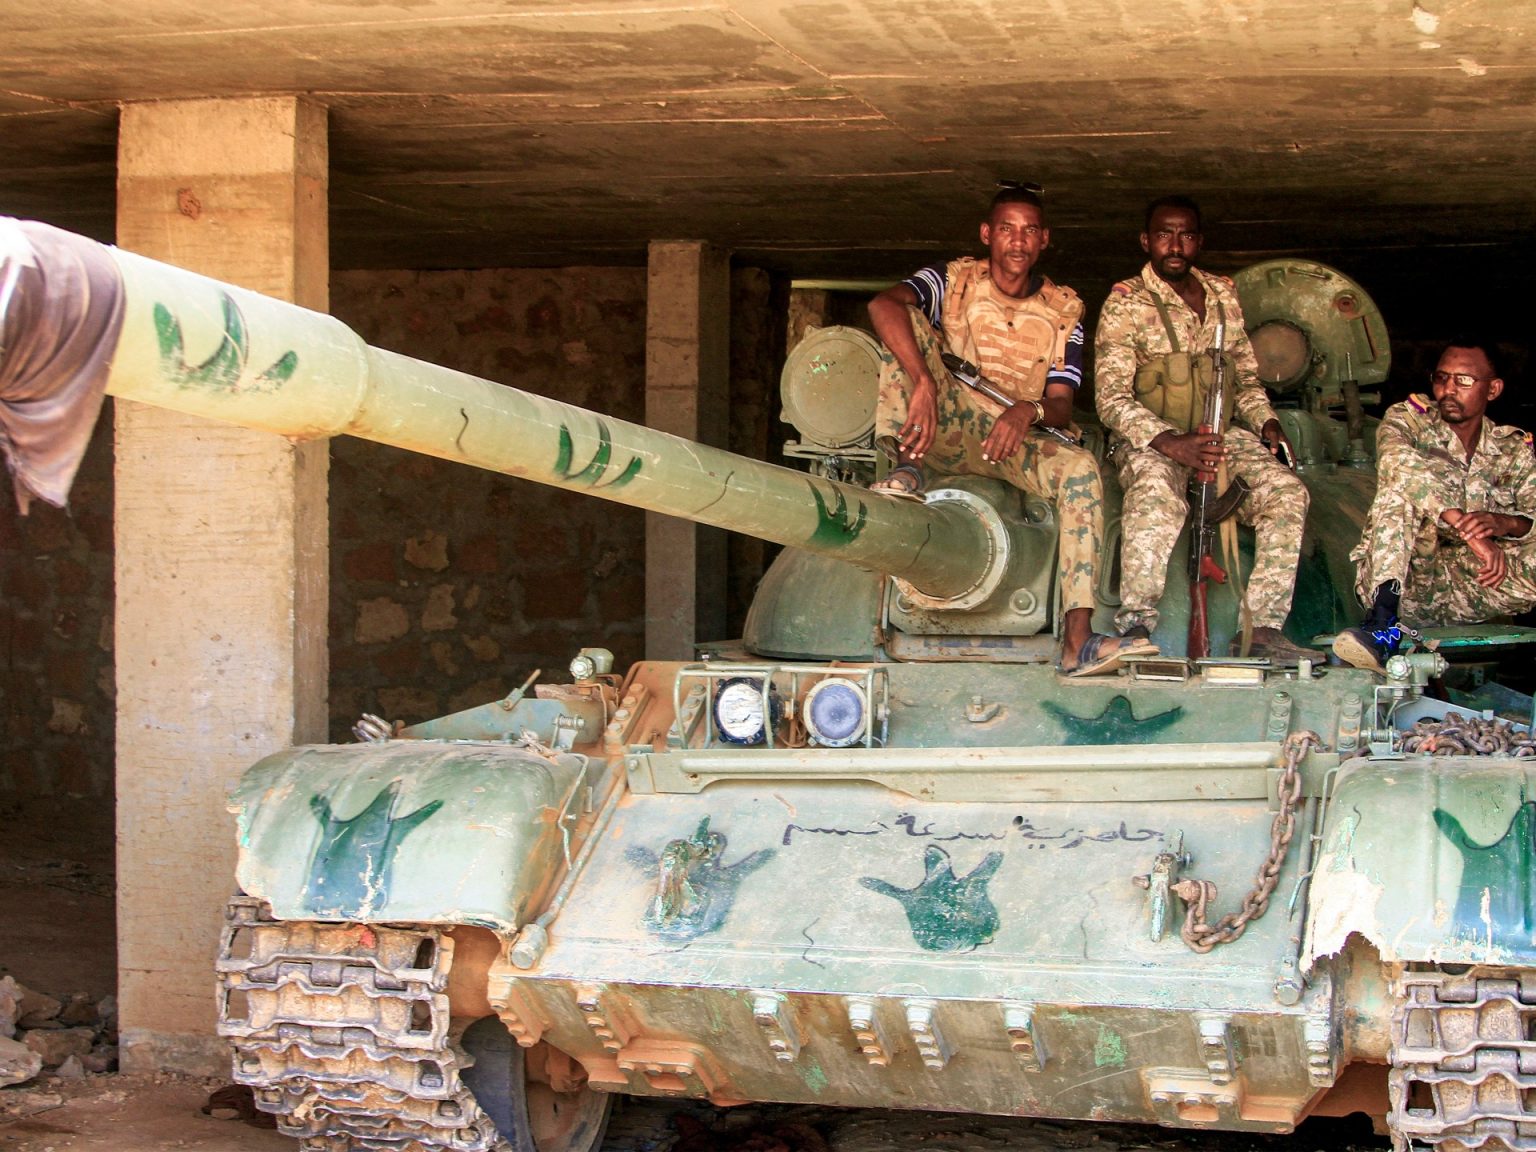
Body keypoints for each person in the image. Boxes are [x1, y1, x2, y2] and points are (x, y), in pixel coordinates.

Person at [866, 186, 1156, 677]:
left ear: (1044, 239)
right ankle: (907, 470)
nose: (1017, 241)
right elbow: (882, 306)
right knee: (906, 324)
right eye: (1006, 228)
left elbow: (1061, 404)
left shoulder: (1064, 312)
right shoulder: (953, 281)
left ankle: (1078, 640)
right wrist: (924, 382)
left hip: (1011, 441)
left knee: (1081, 469)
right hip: (943, 428)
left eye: (1029, 231)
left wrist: (1026, 412)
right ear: (987, 234)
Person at [1094, 195, 1316, 662]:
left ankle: (1261, 628)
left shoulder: (1222, 295)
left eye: (1186, 235)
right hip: (1151, 438)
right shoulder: (1125, 303)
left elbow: (1245, 378)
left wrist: (1266, 422)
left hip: (1219, 432)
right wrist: (1170, 443)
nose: (1175, 246)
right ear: (1146, 241)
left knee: (1287, 493)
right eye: (1164, 235)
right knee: (1155, 494)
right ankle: (1136, 627)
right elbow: (1110, 399)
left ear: (1199, 241)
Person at [1334, 337, 1536, 672]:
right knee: (1400, 488)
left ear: (1493, 389)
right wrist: (1468, 530)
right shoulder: (1409, 420)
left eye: (1464, 380)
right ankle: (1381, 627)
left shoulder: (1512, 449)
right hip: (1407, 583)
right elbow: (1397, 462)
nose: (1448, 390)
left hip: (1472, 585)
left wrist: (1505, 523)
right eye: (1442, 378)